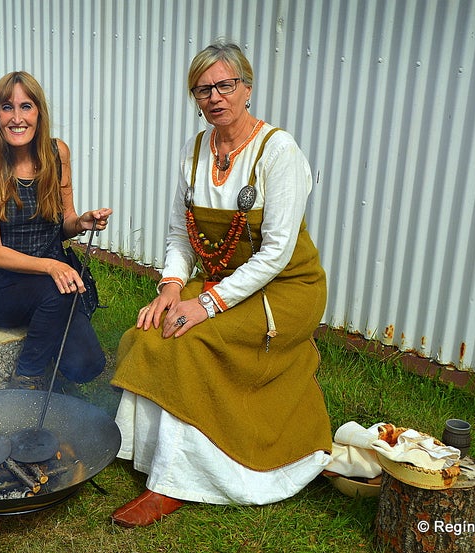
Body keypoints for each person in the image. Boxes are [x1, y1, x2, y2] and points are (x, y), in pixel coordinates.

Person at [109, 40, 332, 527]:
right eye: (203, 89)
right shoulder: (194, 152)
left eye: (225, 85)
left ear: (247, 88)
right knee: (152, 329)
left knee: (191, 341)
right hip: (224, 279)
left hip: (287, 289)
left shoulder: (278, 152)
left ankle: (176, 482)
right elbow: (180, 235)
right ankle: (141, 453)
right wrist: (172, 287)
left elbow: (276, 253)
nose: (215, 97)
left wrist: (206, 304)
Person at [0, 71, 112, 391]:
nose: (17, 118)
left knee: (87, 364)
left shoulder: (58, 154)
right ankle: (25, 381)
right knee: (59, 290)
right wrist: (51, 266)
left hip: (49, 281)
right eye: (7, 107)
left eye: (26, 107)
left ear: (39, 113)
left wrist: (81, 222)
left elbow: (65, 222)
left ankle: (48, 358)